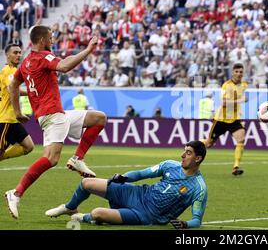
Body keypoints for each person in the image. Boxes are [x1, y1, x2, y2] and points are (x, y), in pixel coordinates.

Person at [5, 25, 107, 219]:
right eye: (51, 37)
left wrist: (18, 112)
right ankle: (16, 193)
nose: (52, 41)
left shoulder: (26, 62)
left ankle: (78, 159)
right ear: (42, 40)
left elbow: (13, 85)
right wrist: (88, 50)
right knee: (51, 159)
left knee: (99, 118)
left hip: (55, 114)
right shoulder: (43, 56)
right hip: (52, 115)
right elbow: (65, 66)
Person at [45, 141, 207, 229]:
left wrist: (185, 224)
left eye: (188, 153)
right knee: (86, 183)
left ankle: (83, 217)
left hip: (145, 215)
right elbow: (142, 174)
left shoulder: (199, 188)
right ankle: (70, 207)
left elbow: (197, 220)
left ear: (198, 159)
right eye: (184, 151)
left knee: (97, 213)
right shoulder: (171, 165)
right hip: (137, 193)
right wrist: (124, 178)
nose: (182, 155)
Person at [203, 63, 247, 176]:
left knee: (241, 139)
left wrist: (241, 104)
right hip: (221, 119)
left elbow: (240, 100)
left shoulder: (244, 85)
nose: (239, 74)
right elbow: (224, 103)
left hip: (234, 119)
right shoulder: (226, 85)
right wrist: (240, 100)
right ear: (233, 72)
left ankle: (236, 166)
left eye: (241, 72)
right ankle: (191, 145)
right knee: (208, 144)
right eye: (237, 71)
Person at [0, 44, 34, 162]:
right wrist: (32, 93)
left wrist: (31, 93)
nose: (19, 55)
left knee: (28, 146)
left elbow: (14, 90)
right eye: (15, 52)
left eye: (20, 52)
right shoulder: (10, 70)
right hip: (6, 120)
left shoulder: (10, 71)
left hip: (12, 120)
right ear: (7, 55)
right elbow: (12, 89)